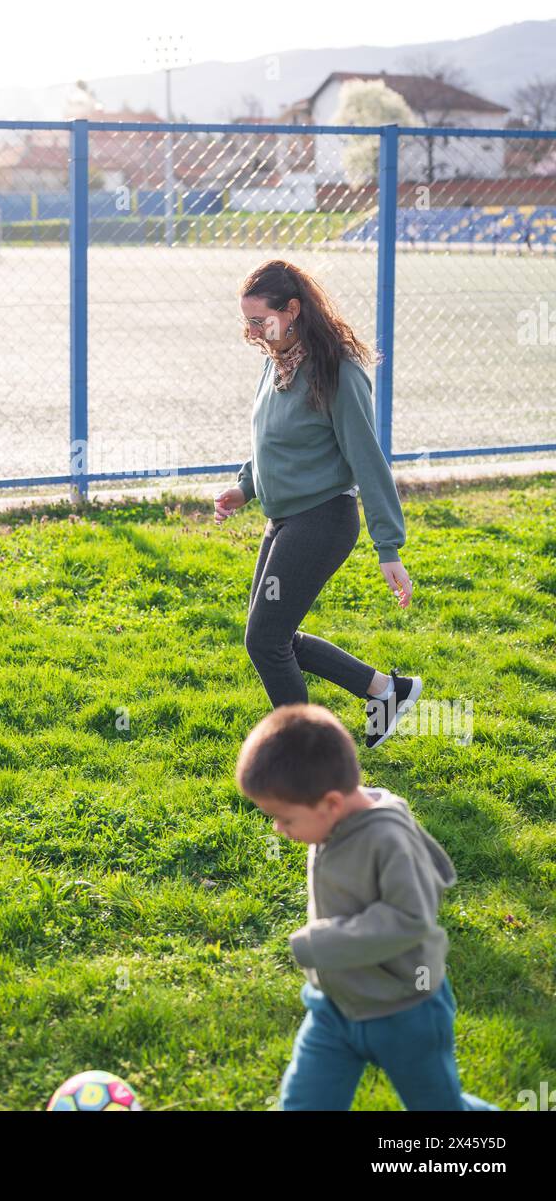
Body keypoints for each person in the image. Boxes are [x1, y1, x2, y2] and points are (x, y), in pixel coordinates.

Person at [235, 703, 500, 1112]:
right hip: (333, 1007)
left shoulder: (387, 839)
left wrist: (323, 942)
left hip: (404, 1011)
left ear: (331, 804)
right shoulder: (327, 822)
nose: (277, 828)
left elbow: (409, 918)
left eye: (283, 818)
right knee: (304, 1104)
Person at [214, 257, 420, 747]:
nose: (254, 332)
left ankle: (307, 757)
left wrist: (387, 546)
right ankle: (387, 691)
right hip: (284, 519)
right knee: (274, 636)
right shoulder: (278, 360)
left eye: (260, 320)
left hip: (322, 519)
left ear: (293, 309)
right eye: (247, 322)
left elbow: (368, 458)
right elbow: (272, 441)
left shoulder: (338, 371)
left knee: (264, 640)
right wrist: (245, 487)